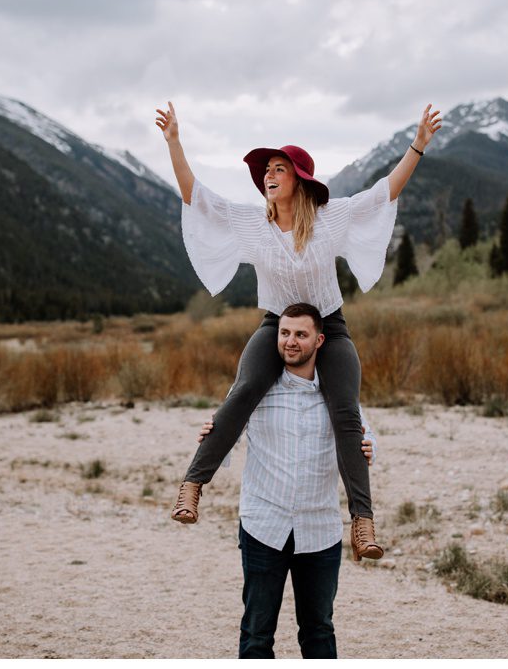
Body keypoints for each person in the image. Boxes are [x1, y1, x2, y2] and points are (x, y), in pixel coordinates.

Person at [156, 99, 441, 561]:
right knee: (244, 390)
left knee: (345, 410)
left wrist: (418, 146)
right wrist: (174, 143)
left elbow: (384, 191)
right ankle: (192, 485)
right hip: (276, 323)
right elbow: (196, 197)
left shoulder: (331, 220)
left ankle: (363, 522)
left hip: (330, 324)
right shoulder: (252, 223)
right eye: (266, 169)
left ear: (299, 179)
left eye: (279, 168)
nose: (269, 175)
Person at [198, 302, 377, 659]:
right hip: (264, 525)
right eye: (284, 333)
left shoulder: (338, 398)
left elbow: (361, 436)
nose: (290, 342)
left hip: (319, 530)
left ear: (320, 340)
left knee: (318, 631)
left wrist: (370, 448)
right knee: (256, 632)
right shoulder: (254, 391)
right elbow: (228, 431)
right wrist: (212, 433)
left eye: (300, 334)